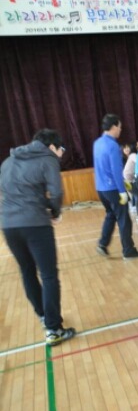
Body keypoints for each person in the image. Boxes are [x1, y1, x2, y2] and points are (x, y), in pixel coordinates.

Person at [0, 129, 76, 346]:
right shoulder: (47, 158)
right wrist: (54, 211)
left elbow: (13, 192)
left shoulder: (8, 161)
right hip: (35, 224)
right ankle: (54, 329)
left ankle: (44, 316)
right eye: (60, 149)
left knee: (27, 271)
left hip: (8, 225)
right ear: (51, 146)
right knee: (49, 275)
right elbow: (56, 192)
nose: (60, 154)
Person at [93, 114, 138, 259]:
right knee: (124, 219)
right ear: (114, 127)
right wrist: (122, 190)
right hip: (112, 188)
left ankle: (102, 244)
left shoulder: (97, 143)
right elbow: (116, 170)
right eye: (120, 127)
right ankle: (128, 250)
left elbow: (100, 167)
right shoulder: (113, 145)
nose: (121, 130)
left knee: (111, 215)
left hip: (101, 188)